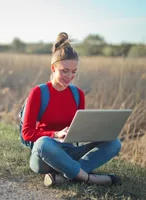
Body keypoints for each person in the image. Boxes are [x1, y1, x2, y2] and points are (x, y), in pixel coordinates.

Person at [21, 32, 122, 187]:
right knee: (43, 143)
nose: (70, 76)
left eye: (74, 71)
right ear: (53, 68)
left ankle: (65, 177)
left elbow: (78, 130)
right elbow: (27, 133)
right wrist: (55, 134)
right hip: (45, 155)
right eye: (65, 71)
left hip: (69, 153)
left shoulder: (78, 94)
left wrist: (95, 132)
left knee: (114, 143)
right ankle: (89, 178)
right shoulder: (38, 92)